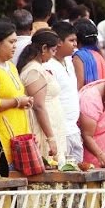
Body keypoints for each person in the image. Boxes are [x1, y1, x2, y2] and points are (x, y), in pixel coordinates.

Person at [17, 28, 66, 161]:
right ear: (44, 48)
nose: (53, 55)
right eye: (54, 50)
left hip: (51, 127)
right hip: (43, 131)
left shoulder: (39, 68)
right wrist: (50, 138)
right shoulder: (34, 70)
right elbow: (38, 106)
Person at [0, 22, 33, 177]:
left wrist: (24, 100)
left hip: (19, 140)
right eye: (11, 42)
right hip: (2, 139)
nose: (14, 46)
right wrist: (17, 102)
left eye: (15, 42)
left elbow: (17, 94)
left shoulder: (11, 66)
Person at [46, 21, 83, 161]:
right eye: (71, 40)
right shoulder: (48, 65)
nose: (75, 44)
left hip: (74, 130)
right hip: (59, 132)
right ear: (59, 42)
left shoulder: (69, 61)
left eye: (76, 40)